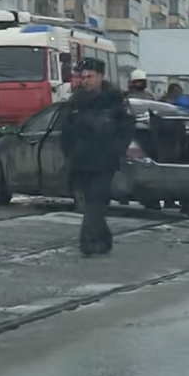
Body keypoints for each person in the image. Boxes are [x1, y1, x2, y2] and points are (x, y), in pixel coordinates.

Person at [61, 57, 131, 256]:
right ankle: (104, 239)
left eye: (90, 76)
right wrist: (70, 151)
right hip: (81, 161)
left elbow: (126, 128)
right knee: (92, 201)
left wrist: (116, 149)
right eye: (83, 77)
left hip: (104, 161)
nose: (86, 80)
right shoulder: (76, 101)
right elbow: (66, 130)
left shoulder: (114, 100)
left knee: (96, 201)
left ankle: (88, 242)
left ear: (101, 77)